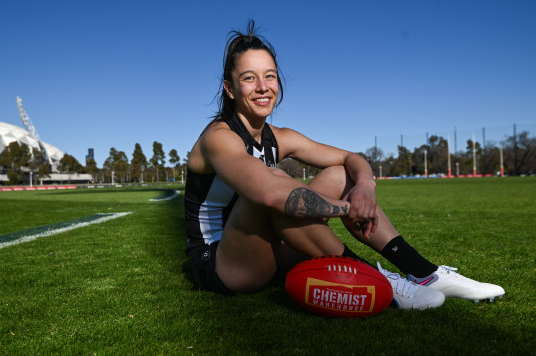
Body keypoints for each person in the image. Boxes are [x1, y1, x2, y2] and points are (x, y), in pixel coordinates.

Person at [184, 21, 505, 310]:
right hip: (221, 263)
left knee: (340, 174)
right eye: (249, 78)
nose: (263, 86)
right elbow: (268, 193)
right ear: (230, 88)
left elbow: (351, 159)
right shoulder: (218, 137)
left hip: (268, 252)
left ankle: (424, 273)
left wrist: (364, 188)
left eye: (269, 76)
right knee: (274, 184)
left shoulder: (278, 137)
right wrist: (346, 208)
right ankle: (378, 279)